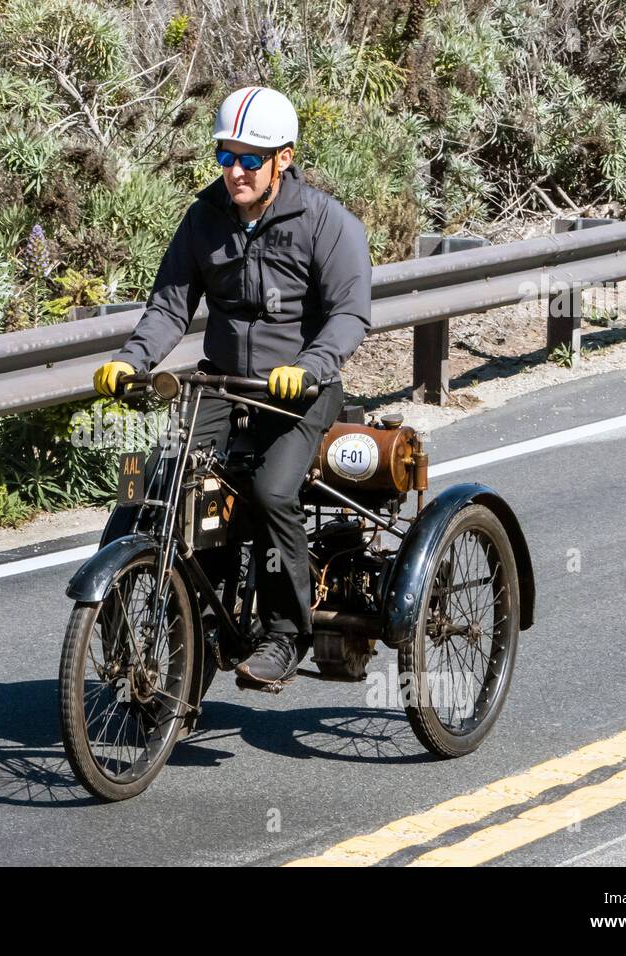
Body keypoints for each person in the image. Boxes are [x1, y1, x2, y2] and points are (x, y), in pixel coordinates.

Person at [91, 85, 373, 688]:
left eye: (250, 158)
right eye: (226, 157)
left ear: (284, 158)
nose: (235, 171)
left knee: (271, 492)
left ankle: (284, 633)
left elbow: (350, 314)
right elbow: (169, 307)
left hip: (299, 390)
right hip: (220, 383)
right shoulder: (203, 218)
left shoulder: (325, 222)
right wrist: (131, 359)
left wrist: (313, 363)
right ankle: (189, 632)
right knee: (163, 483)